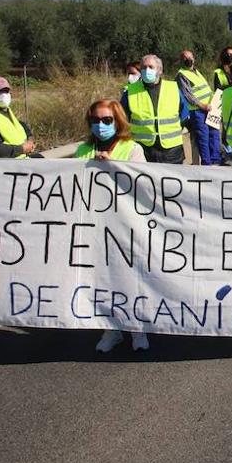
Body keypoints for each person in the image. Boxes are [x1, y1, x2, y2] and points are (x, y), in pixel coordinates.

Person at [74, 99, 149, 351]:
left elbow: (143, 185)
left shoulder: (132, 148)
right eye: (96, 120)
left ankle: (137, 329)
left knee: (131, 278)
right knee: (104, 279)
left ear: (117, 121)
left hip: (125, 225)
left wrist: (114, 167)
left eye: (107, 120)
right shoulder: (83, 150)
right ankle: (111, 329)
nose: (101, 125)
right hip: (95, 225)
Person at [121, 53, 188, 164]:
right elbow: (122, 119)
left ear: (160, 70)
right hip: (142, 150)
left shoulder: (173, 88)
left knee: (171, 181)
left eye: (151, 67)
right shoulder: (129, 92)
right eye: (143, 67)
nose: (147, 70)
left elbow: (184, 115)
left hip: (172, 150)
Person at [177, 49, 221, 166]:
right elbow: (188, 95)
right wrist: (202, 105)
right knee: (203, 139)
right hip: (198, 111)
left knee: (214, 135)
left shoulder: (197, 72)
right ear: (181, 61)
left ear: (194, 58)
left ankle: (215, 161)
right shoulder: (182, 74)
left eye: (190, 57)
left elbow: (206, 89)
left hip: (211, 108)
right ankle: (207, 164)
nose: (188, 60)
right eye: (185, 58)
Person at [0, 76, 38, 159]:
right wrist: (22, 149)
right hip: (7, 166)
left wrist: (30, 140)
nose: (4, 94)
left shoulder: (6, 110)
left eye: (6, 91)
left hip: (21, 160)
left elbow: (20, 125)